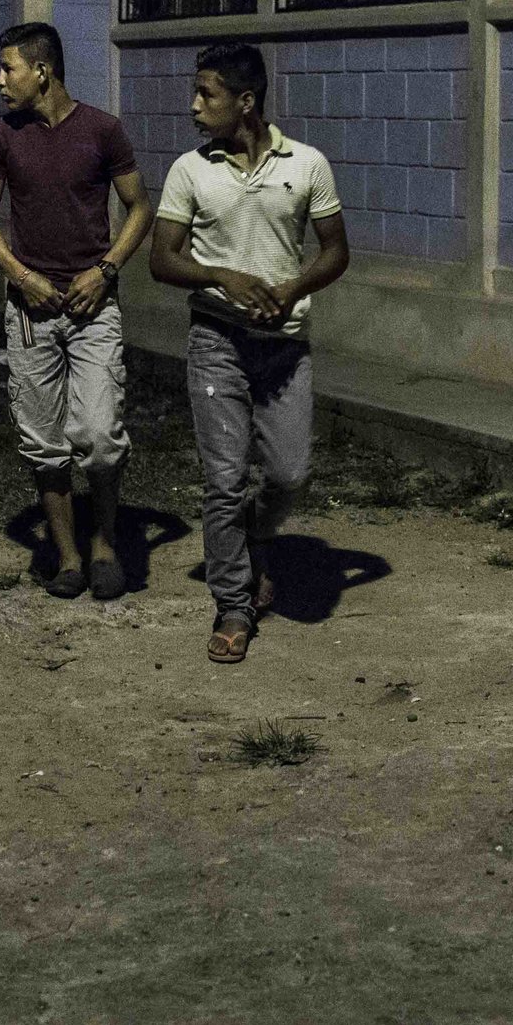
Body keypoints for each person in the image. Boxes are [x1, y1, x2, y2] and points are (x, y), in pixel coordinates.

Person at [149, 41, 351, 663]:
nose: (193, 106)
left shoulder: (307, 164)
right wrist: (222, 277)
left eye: (206, 94)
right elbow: (161, 260)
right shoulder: (191, 169)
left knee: (290, 473)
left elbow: (336, 251)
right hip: (216, 344)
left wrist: (292, 287)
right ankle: (233, 604)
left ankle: (257, 537)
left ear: (246, 101)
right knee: (224, 480)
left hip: (284, 348)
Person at [0, 21, 152, 600]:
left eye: (9, 68)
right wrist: (19, 276)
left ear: (42, 70)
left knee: (99, 434)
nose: (0, 80)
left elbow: (139, 207)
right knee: (42, 440)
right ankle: (69, 556)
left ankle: (104, 545)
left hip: (92, 306)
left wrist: (106, 271)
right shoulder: (2, 134)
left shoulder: (103, 130)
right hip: (30, 310)